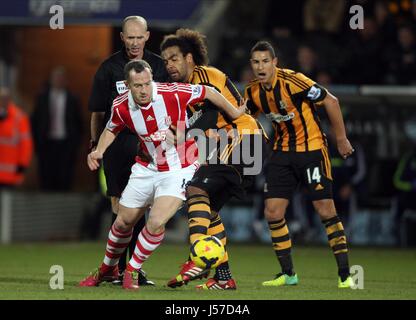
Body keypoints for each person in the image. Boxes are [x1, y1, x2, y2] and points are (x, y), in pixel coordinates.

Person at [79, 60, 248, 290]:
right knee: (122, 222)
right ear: (128, 85)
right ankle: (107, 269)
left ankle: (132, 270)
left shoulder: (173, 93)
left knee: (156, 222)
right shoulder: (121, 105)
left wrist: (235, 111)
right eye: (137, 85)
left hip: (180, 167)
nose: (144, 90)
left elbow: (208, 91)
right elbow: (111, 128)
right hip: (146, 167)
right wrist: (98, 150)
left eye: (147, 83)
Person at [244, 41, 355, 288]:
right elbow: (247, 121)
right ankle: (288, 274)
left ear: (274, 63)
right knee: (272, 212)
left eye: (265, 61)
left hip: (312, 150)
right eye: (255, 62)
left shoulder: (294, 81)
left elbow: (332, 101)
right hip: (282, 154)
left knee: (325, 210)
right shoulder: (252, 91)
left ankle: (345, 275)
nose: (260, 67)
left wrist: (341, 139)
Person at [160, 28, 263, 290]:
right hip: (229, 148)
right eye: (166, 60)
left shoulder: (208, 76)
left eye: (174, 58)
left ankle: (197, 256)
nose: (169, 64)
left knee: (195, 189)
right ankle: (224, 277)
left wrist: (182, 135)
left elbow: (206, 115)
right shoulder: (180, 91)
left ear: (190, 58)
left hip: (244, 138)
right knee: (207, 211)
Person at [88, 16, 168, 285]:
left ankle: (132, 269)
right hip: (118, 146)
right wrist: (95, 145)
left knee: (140, 207)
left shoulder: (158, 66)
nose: (134, 42)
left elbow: (170, 103)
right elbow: (98, 112)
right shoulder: (108, 68)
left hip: (149, 145)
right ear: (122, 37)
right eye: (129, 37)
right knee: (119, 206)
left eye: (139, 37)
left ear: (147, 36)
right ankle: (117, 269)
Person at [31, 66, 83, 191]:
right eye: (56, 78)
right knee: (46, 171)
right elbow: (35, 120)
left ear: (65, 81)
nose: (59, 80)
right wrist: (36, 140)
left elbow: (79, 121)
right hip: (46, 140)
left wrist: (76, 141)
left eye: (61, 78)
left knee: (65, 172)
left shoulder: (73, 98)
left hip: (66, 140)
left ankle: (63, 198)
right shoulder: (42, 97)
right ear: (51, 80)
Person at [0, 86, 33, 188]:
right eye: (1, 98)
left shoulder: (19, 118)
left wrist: (22, 166)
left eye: (5, 98)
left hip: (10, 174)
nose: (3, 101)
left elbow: (26, 144)